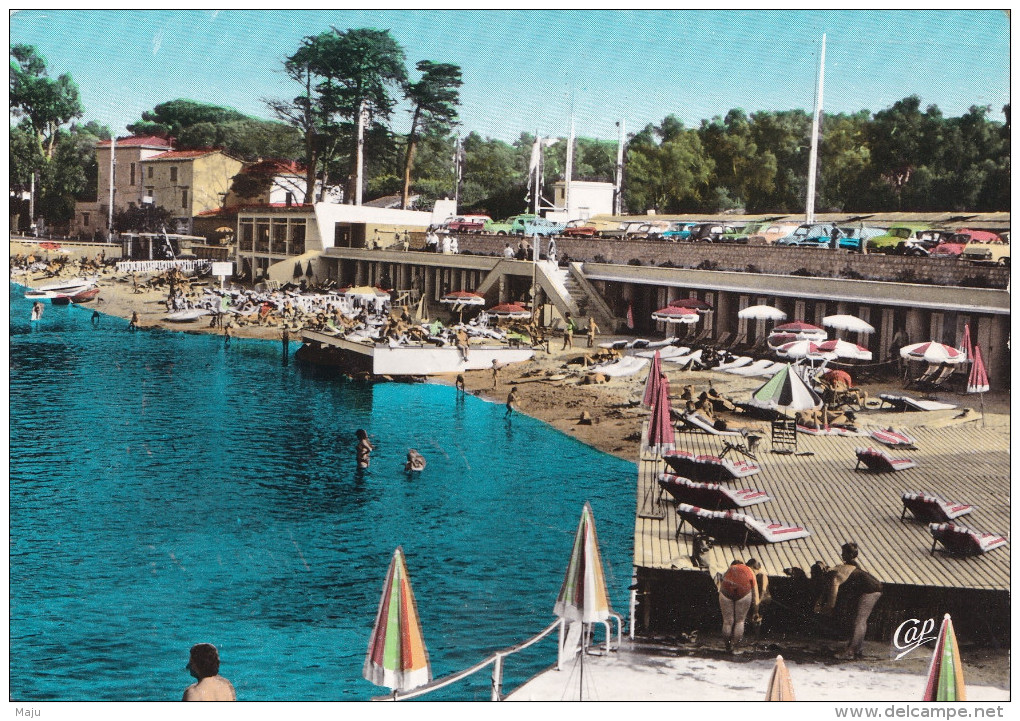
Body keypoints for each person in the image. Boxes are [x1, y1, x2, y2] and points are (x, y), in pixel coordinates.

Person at [816, 542, 883, 660]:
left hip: (872, 590)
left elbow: (831, 603)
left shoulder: (834, 576)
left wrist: (824, 609)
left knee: (860, 621)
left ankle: (851, 652)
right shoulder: (840, 568)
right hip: (868, 588)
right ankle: (855, 648)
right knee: (858, 620)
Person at [718, 559, 759, 653]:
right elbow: (755, 594)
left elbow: (721, 585)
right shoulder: (749, 570)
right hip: (743, 592)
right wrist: (756, 611)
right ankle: (735, 648)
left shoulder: (729, 569)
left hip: (726, 591)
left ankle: (727, 647)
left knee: (727, 622)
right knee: (740, 621)